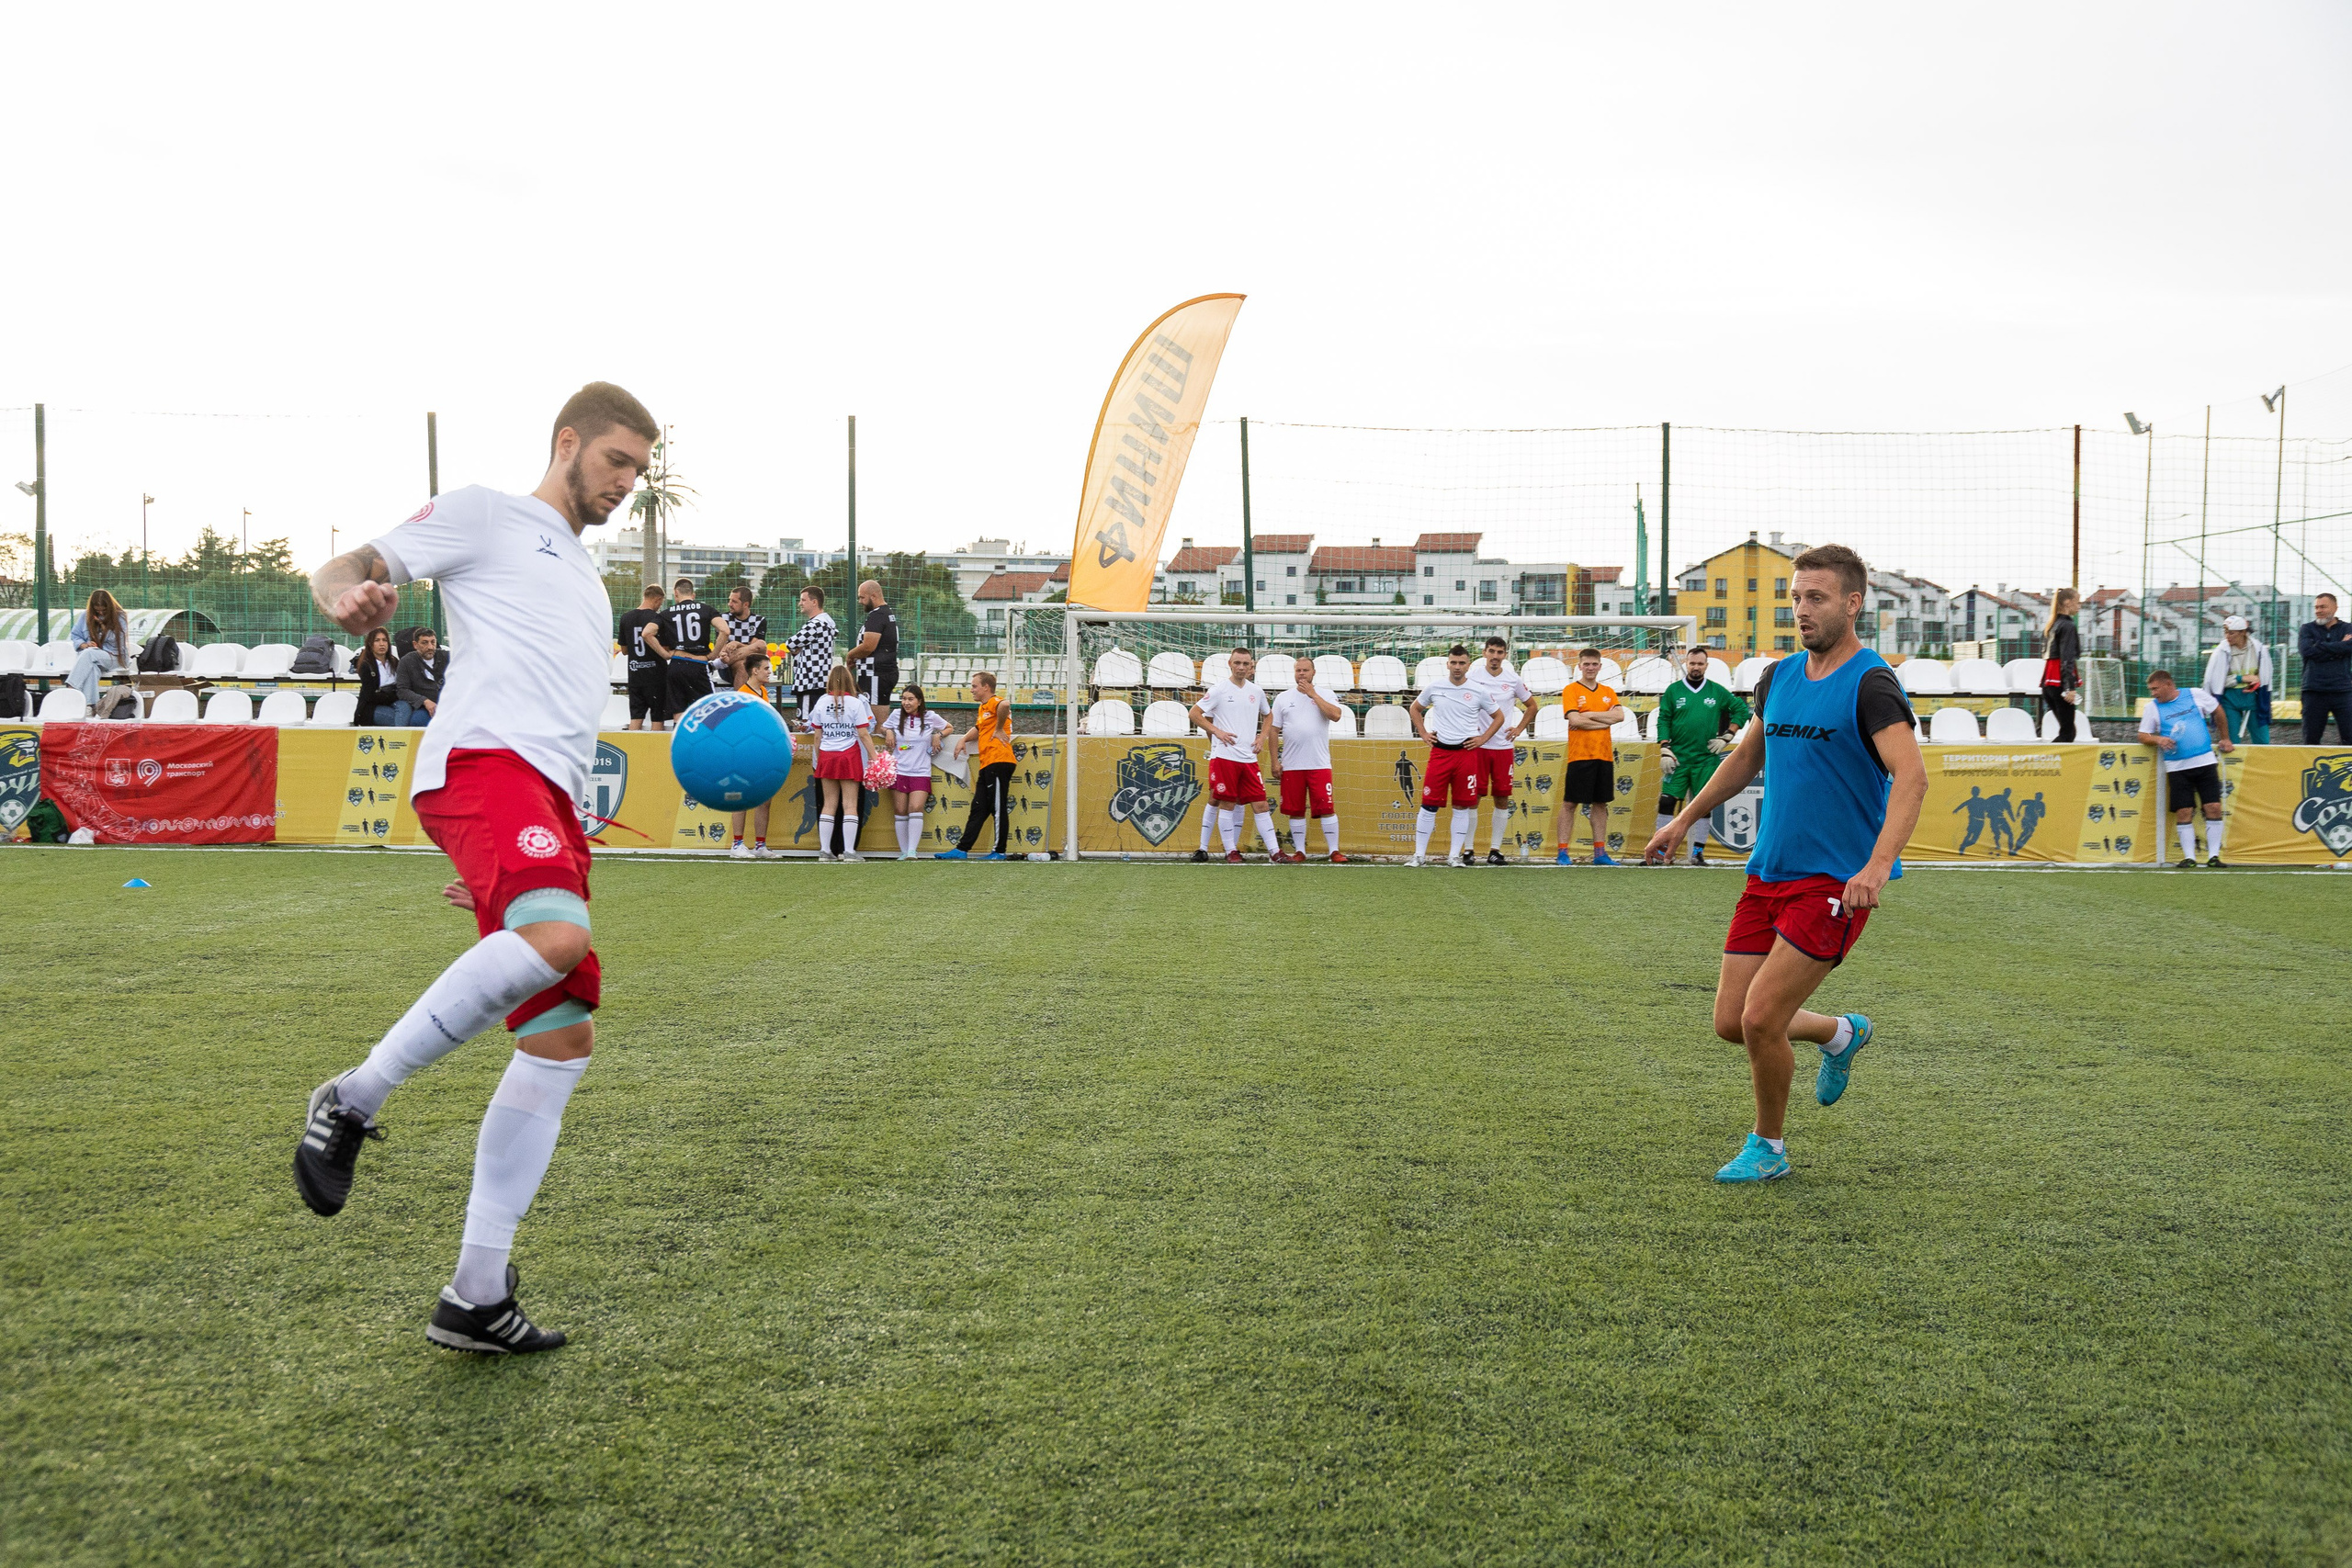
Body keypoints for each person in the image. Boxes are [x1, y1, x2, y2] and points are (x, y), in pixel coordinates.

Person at [292, 379, 660, 1354]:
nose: (625, 483)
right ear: (568, 441)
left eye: (638, 471)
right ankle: (352, 1098)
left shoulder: (588, 582)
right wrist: (347, 596)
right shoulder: (485, 516)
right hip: (485, 765)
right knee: (554, 938)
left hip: (544, 804)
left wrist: (522, 865)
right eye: (616, 461)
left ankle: (475, 1296)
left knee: (560, 1044)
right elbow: (354, 565)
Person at [1643, 543, 1926, 1185]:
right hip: (1768, 872)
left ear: (1853, 604)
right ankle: (1839, 1034)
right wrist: (1684, 818)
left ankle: (1768, 1145)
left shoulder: (1873, 683)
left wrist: (1877, 867)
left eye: (1816, 597)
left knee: (1762, 1019)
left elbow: (1912, 779)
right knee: (1729, 1022)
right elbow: (1747, 758)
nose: (1801, 609)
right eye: (1796, 597)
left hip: (1835, 882)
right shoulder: (1777, 677)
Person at [1408, 645, 1507, 866]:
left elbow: (1499, 717)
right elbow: (1415, 708)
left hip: (1466, 755)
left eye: (1462, 663)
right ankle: (1418, 855)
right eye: (1453, 662)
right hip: (1440, 753)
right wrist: (1423, 733)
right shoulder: (1435, 687)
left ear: (1468, 665)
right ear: (1447, 664)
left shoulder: (1478, 690)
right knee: (1428, 804)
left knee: (1462, 806)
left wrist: (1482, 739)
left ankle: (1454, 856)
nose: (1457, 667)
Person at [1654, 645, 1749, 866]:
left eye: (1700, 663)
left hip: (1705, 759)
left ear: (1706, 666)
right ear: (1687, 664)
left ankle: (1697, 853)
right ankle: (1660, 852)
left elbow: (1741, 710)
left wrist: (1726, 736)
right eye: (1692, 663)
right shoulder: (1673, 691)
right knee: (1667, 802)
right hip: (1677, 757)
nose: (1696, 667)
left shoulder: (1716, 691)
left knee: (1703, 805)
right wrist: (1665, 748)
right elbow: (1664, 719)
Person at [1189, 647, 1283, 863]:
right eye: (1237, 663)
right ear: (1230, 664)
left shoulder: (1256, 691)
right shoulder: (1219, 690)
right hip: (1225, 757)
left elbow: (1268, 716)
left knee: (1261, 805)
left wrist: (1261, 737)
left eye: (1245, 664)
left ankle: (1275, 853)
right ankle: (1230, 851)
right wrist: (1218, 732)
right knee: (1226, 803)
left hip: (1249, 758)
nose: (1241, 667)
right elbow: (1194, 713)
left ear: (1252, 667)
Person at [2139, 668, 2234, 867]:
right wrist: (2158, 739)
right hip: (2177, 767)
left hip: (2205, 762)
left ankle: (2214, 857)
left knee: (2214, 807)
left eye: (2155, 688)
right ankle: (2189, 857)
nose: (2153, 693)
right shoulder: (2152, 708)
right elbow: (2143, 735)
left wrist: (2225, 738)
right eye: (2151, 690)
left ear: (2168, 684)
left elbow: (2217, 710)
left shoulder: (2195, 694)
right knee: (2184, 811)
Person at [1552, 649, 1627, 865]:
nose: (1591, 668)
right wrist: (1604, 721)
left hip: (1604, 755)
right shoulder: (1571, 690)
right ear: (1580, 666)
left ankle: (1600, 854)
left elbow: (1620, 716)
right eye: (1587, 664)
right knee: (1570, 803)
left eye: (1594, 664)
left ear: (1600, 666)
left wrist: (1590, 715)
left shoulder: (1608, 691)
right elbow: (1575, 720)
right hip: (1580, 755)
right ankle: (1563, 852)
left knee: (1600, 803)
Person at [1464, 636, 1536, 864]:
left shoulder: (1513, 680)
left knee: (1502, 797)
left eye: (1500, 652)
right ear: (1484, 653)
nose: (1495, 656)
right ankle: (1468, 850)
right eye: (1492, 651)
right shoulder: (1473, 677)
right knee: (1472, 797)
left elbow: (1532, 706)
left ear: (1505, 655)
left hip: (1503, 747)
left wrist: (1518, 728)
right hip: (1478, 746)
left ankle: (1495, 850)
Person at [1269, 654, 1347, 863]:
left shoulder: (1325, 694)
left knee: (1327, 808)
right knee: (1295, 810)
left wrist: (1313, 695)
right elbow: (1273, 731)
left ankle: (1334, 851)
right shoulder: (1283, 698)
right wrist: (1275, 762)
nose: (1302, 674)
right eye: (1298, 670)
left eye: (1305, 670)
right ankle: (1300, 851)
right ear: (1294, 673)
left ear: (1313, 672)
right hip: (1292, 765)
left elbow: (1336, 715)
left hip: (1319, 763)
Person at [803, 664, 877, 862]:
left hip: (826, 754)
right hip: (849, 755)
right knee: (850, 804)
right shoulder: (855, 703)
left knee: (829, 804)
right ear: (850, 681)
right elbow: (863, 733)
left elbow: (817, 736)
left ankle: (825, 851)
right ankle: (849, 851)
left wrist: (819, 759)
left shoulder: (821, 702)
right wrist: (875, 757)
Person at [941, 671, 1017, 860]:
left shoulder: (993, 701)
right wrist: (964, 740)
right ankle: (962, 849)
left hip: (999, 760)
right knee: (979, 807)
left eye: (974, 686)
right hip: (988, 763)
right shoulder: (984, 708)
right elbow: (979, 728)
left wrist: (999, 729)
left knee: (997, 807)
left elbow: (1005, 704)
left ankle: (999, 851)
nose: (971, 690)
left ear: (986, 687)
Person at [880, 684, 951, 861]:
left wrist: (938, 735)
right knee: (900, 809)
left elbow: (949, 727)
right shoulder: (896, 715)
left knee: (916, 807)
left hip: (921, 770)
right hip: (899, 769)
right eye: (904, 699)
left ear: (919, 701)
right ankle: (904, 852)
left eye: (910, 699)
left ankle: (912, 851)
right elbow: (882, 728)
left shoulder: (930, 716)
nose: (906, 702)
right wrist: (888, 731)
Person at [643, 576, 717, 724]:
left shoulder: (667, 613)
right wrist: (712, 655)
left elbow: (646, 633)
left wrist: (665, 654)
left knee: (679, 713)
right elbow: (725, 630)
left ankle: (681, 743)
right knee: (709, 711)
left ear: (675, 593)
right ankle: (706, 743)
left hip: (677, 665)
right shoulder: (706, 609)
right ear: (693, 595)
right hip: (698, 665)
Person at [727, 653, 779, 860]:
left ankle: (760, 845)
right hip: (745, 754)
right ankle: (737, 844)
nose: (769, 672)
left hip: (762, 754)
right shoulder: (743, 695)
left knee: (764, 800)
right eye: (766, 668)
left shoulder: (763, 691)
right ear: (754, 671)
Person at [2202, 615, 2272, 747]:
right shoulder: (2220, 651)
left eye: (2231, 633)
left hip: (2253, 700)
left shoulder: (2259, 650)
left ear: (2243, 632)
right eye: (2226, 632)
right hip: (2230, 701)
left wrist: (2257, 680)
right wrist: (2241, 678)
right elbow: (2215, 681)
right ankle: (2230, 768)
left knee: (2263, 741)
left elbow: (2266, 676)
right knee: (2231, 741)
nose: (2227, 636)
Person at [2297, 593, 2350, 744]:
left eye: (2323, 607)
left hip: (2343, 691)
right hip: (2313, 691)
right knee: (2311, 740)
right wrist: (2339, 647)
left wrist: (2319, 646)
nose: (2318, 610)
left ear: (2335, 608)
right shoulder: (2307, 629)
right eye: (2316, 607)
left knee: (2349, 738)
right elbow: (2306, 651)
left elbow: (2350, 647)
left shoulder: (2348, 628)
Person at [615, 584, 667, 730]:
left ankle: (632, 751)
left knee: (636, 717)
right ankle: (656, 752)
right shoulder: (657, 618)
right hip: (656, 675)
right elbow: (666, 647)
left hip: (635, 675)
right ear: (657, 599)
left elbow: (624, 650)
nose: (659, 606)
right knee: (657, 718)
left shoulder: (626, 617)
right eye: (660, 603)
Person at [783, 585, 838, 726]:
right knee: (818, 724)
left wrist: (798, 646)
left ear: (814, 602)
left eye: (803, 600)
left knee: (806, 724)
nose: (800, 603)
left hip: (809, 682)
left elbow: (790, 643)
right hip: (818, 681)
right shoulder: (826, 623)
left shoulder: (816, 624)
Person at [66, 589, 129, 709]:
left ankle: (72, 688)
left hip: (114, 657)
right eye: (97, 610)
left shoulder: (120, 616)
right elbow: (76, 635)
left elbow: (117, 640)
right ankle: (91, 706)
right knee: (92, 669)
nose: (100, 612)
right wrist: (84, 644)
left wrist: (104, 626)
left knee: (89, 654)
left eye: (104, 610)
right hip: (93, 657)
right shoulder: (85, 615)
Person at [842, 579, 900, 708]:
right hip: (876, 674)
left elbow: (868, 646)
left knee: (876, 723)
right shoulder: (885, 613)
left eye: (862, 597)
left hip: (876, 674)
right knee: (869, 720)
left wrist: (850, 655)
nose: (860, 601)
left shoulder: (878, 615)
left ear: (873, 596)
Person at [2041, 587, 2083, 743]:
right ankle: (2045, 762)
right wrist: (2069, 688)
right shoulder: (2068, 626)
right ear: (2067, 602)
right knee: (2067, 733)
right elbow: (2067, 658)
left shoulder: (2052, 625)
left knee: (2069, 731)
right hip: (2059, 682)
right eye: (2078, 602)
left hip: (2049, 683)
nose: (2079, 606)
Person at [714, 584, 766, 691]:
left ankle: (743, 701)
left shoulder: (759, 621)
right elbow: (723, 650)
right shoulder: (722, 619)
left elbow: (754, 652)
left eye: (734, 602)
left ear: (745, 604)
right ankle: (742, 705)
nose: (730, 604)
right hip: (727, 666)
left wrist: (737, 644)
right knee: (743, 665)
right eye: (730, 600)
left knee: (760, 645)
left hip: (749, 663)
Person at [392, 627, 447, 727]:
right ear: (415, 645)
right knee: (417, 721)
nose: (430, 647)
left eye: (433, 642)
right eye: (425, 643)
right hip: (425, 707)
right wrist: (424, 701)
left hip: (449, 703)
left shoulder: (446, 657)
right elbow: (402, 690)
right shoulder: (406, 662)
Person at [355, 626, 402, 726]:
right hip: (372, 707)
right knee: (398, 718)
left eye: (385, 640)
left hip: (392, 701)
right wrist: (393, 696)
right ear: (370, 644)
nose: (382, 644)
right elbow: (370, 696)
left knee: (405, 709)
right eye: (377, 640)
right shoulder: (366, 665)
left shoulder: (394, 662)